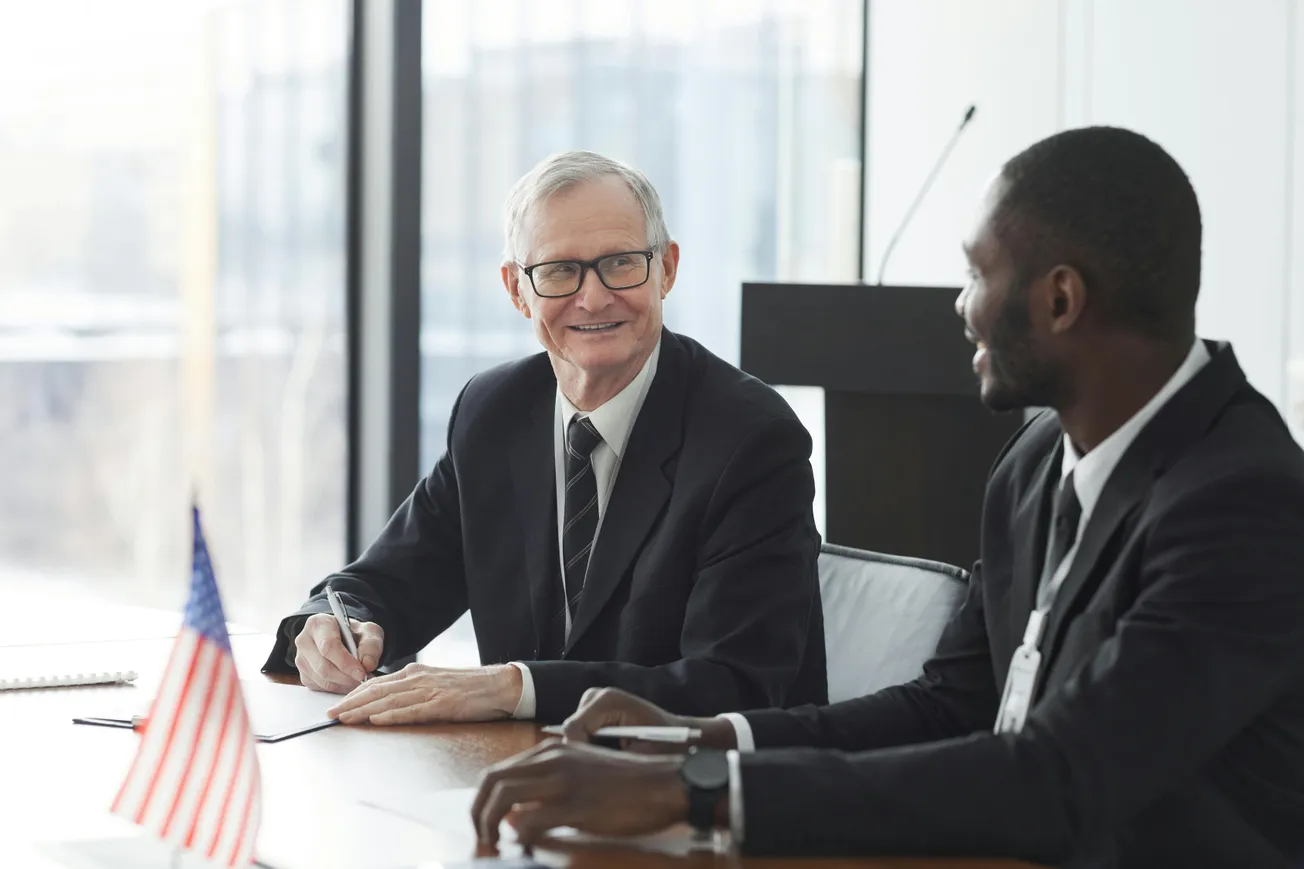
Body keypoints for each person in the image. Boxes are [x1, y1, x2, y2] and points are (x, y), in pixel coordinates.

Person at [469, 128, 1304, 868]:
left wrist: (703, 790)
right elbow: (952, 704)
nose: (961, 308)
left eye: (976, 273)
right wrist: (694, 736)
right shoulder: (1035, 459)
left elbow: (1059, 774)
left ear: (1059, 299)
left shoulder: (1246, 502)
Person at [262, 150, 827, 725]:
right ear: (516, 289)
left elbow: (734, 686)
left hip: (696, 793)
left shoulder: (752, 440)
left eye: (621, 263)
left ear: (667, 270)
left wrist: (514, 687)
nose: (594, 297)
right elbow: (384, 584)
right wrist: (330, 625)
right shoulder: (495, 411)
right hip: (520, 780)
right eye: (559, 271)